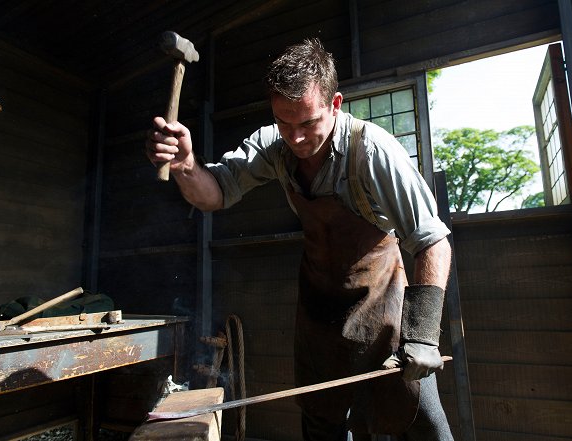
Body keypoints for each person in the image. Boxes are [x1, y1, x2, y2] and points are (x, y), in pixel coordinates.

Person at [146, 38, 454, 440]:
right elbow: (216, 193)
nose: (295, 137)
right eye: (284, 123)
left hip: (384, 312)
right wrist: (186, 164)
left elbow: (432, 241)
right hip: (318, 315)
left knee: (419, 418)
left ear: (335, 104)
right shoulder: (275, 147)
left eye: (307, 123)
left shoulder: (373, 151)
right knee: (321, 424)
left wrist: (424, 336)